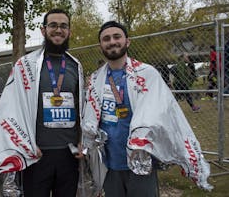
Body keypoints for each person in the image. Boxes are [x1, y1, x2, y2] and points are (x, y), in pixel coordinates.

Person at [81, 21, 213, 197]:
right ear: (101, 46)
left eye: (117, 36)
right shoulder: (96, 79)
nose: (112, 41)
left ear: (127, 41)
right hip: (109, 164)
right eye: (106, 38)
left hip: (141, 162)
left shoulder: (146, 74)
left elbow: (166, 113)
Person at [0, 9, 85, 197]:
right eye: (53, 25)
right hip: (36, 156)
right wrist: (25, 144)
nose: (58, 30)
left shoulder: (76, 66)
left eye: (63, 26)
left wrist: (82, 141)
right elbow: (10, 108)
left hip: (69, 155)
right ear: (43, 30)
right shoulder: (25, 66)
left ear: (69, 32)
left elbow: (82, 107)